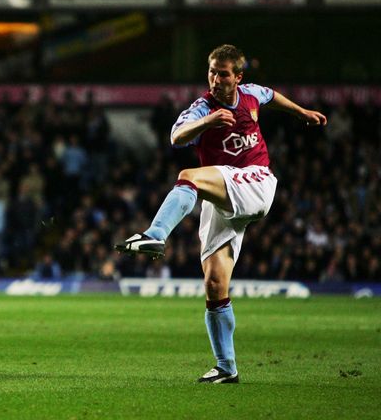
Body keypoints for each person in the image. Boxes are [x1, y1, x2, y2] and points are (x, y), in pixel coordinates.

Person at [115, 44, 327, 384]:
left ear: (237, 77)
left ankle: (155, 235)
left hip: (257, 182)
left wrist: (301, 112)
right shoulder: (202, 107)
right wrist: (209, 121)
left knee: (188, 177)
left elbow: (272, 95)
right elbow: (176, 136)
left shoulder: (250, 95)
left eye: (223, 73)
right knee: (214, 284)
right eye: (212, 71)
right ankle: (227, 367)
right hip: (224, 196)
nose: (215, 79)